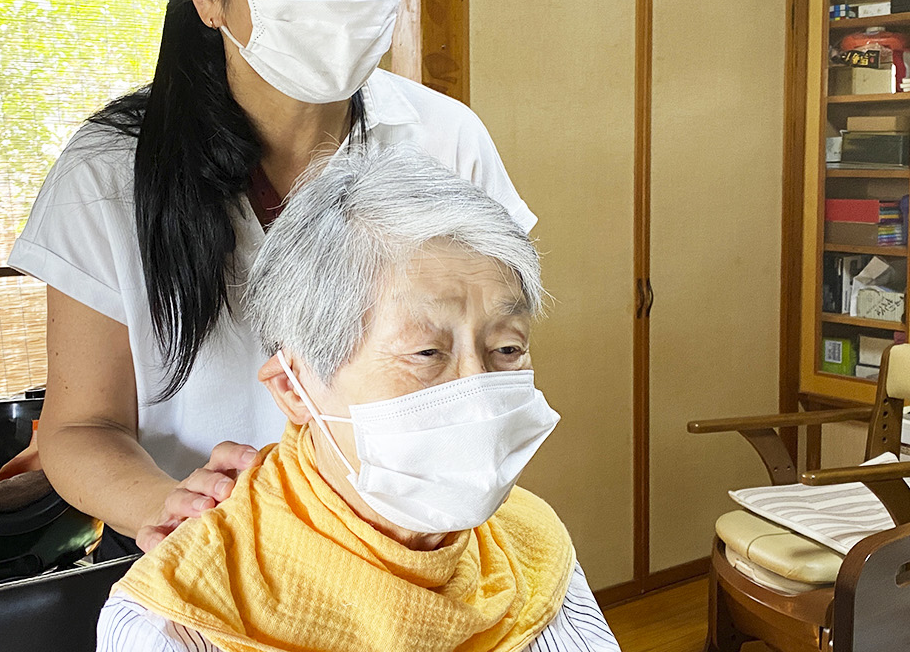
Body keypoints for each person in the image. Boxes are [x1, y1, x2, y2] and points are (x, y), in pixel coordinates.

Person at [5, 0, 535, 556]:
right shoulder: (110, 169)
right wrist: (175, 506)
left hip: (412, 545)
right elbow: (81, 428)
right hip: (203, 551)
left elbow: (494, 360)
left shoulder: (447, 138)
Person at [96, 147, 618, 652]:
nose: (475, 393)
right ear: (293, 389)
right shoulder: (183, 616)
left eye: (507, 347)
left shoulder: (531, 540)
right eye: (426, 351)